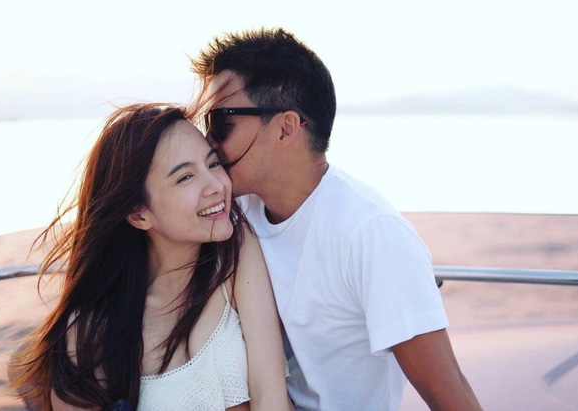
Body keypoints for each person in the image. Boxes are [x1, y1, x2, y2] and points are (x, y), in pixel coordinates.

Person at [190, 28, 483, 411]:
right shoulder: (234, 215)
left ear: (286, 128)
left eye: (219, 123)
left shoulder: (370, 234)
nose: (208, 142)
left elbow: (449, 394)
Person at [10, 103, 292, 410]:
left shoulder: (235, 251)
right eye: (185, 177)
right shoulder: (91, 335)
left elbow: (269, 390)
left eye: (213, 164)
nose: (217, 185)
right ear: (139, 214)